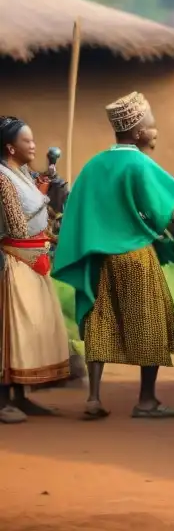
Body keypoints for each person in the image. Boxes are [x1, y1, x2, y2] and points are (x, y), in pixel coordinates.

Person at [53, 92, 174, 419]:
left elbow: (79, 211)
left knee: (100, 322)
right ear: (137, 132)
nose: (156, 130)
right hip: (135, 258)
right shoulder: (139, 163)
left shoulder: (94, 165)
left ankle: (93, 397)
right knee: (149, 323)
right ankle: (147, 401)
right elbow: (163, 214)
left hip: (100, 261)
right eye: (151, 125)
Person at [0, 117, 71, 424]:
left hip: (33, 262)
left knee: (27, 334)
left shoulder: (22, 173)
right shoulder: (2, 179)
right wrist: (47, 201)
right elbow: (17, 225)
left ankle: (21, 397)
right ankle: (3, 401)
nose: (33, 145)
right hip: (14, 263)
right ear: (10, 148)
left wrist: (46, 184)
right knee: (11, 334)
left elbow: (34, 204)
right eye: (27, 141)